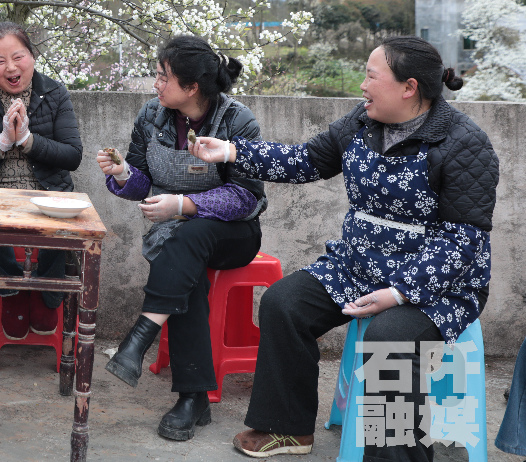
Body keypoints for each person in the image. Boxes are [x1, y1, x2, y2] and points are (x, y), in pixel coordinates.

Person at [192, 36, 495, 461]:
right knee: (284, 304)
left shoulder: (464, 143)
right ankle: (288, 429)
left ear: (408, 88)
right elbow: (306, 160)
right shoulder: (362, 122)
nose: (363, 86)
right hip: (358, 265)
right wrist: (232, 151)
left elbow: (462, 240)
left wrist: (399, 293)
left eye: (371, 77)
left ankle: (393, 457)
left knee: (389, 339)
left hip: (436, 285)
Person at [96, 35, 267, 442]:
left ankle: (140, 338)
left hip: (234, 233)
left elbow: (247, 196)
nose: (155, 84)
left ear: (191, 87)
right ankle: (193, 398)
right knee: (186, 265)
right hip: (176, 235)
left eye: (163, 77)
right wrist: (121, 173)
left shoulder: (236, 120)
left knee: (191, 236)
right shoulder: (151, 116)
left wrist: (185, 205)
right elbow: (141, 182)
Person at [0, 21, 83, 342]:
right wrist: (1, 142)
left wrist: (27, 140)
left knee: (64, 230)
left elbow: (72, 155)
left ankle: (48, 296)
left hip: (47, 194)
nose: (11, 67)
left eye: (18, 57)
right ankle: (12, 290)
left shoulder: (55, 93)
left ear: (32, 57)